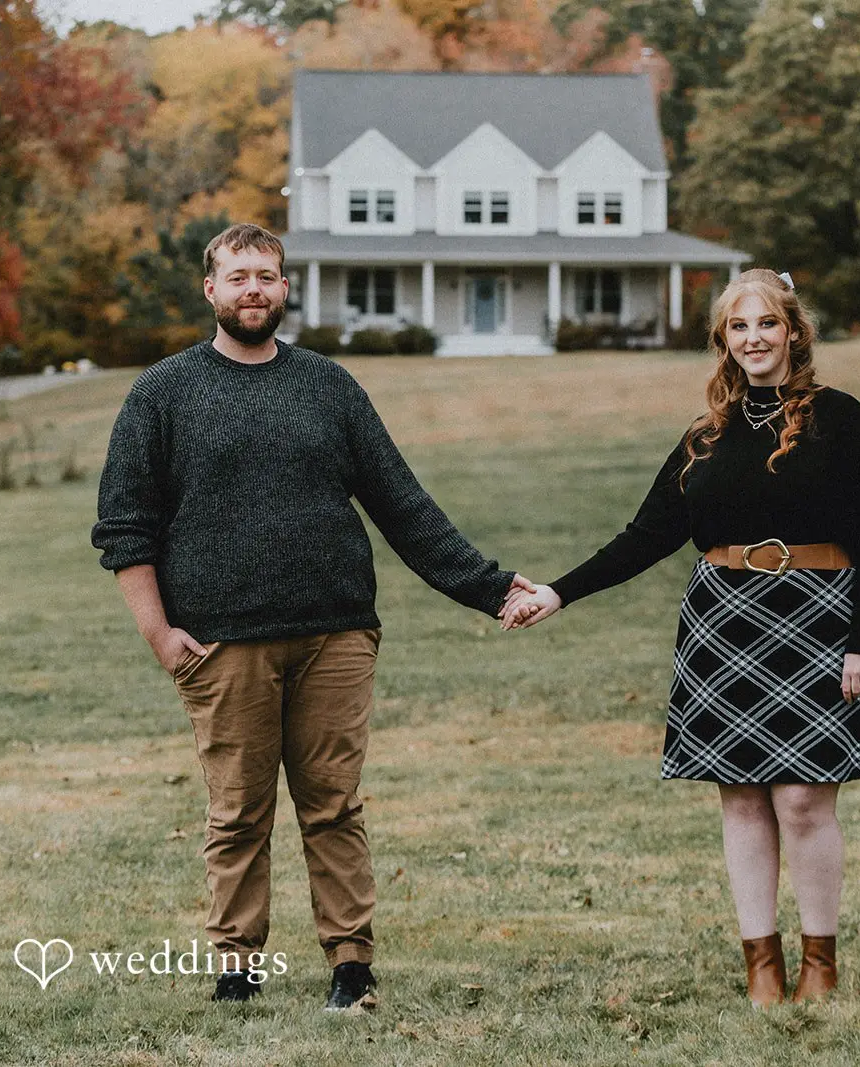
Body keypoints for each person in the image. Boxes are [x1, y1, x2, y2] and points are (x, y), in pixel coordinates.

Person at [92, 222, 533, 1011]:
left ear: (285, 287)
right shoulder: (161, 393)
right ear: (211, 290)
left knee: (332, 804)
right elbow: (125, 526)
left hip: (336, 633)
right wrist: (158, 632)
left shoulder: (329, 387)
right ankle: (236, 966)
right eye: (238, 277)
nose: (253, 289)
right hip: (223, 641)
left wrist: (491, 587)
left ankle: (351, 966)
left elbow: (403, 506)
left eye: (267, 275)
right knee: (237, 811)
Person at [501, 269, 860, 1007]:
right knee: (743, 797)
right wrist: (558, 591)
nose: (754, 339)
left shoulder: (842, 421)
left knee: (805, 801)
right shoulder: (706, 437)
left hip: (820, 620)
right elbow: (646, 535)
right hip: (725, 627)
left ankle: (820, 964)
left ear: (793, 332)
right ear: (725, 341)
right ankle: (761, 969)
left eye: (767, 324)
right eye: (739, 327)